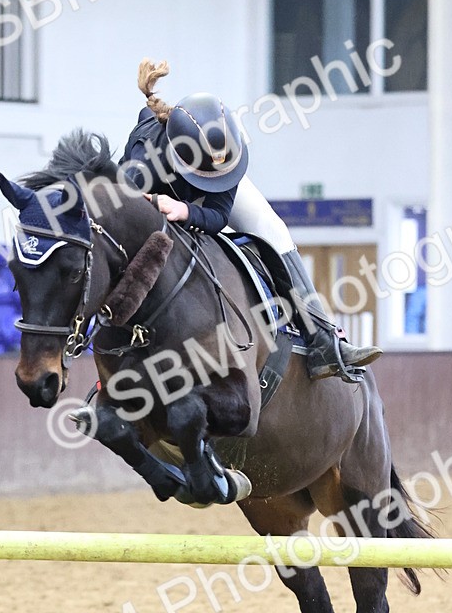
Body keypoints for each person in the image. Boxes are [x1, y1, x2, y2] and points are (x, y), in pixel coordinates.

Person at [119, 60, 381, 381]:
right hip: (158, 194)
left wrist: (185, 210)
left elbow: (217, 215)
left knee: (273, 230)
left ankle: (322, 339)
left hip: (200, 192)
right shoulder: (142, 157)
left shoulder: (230, 147)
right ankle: (103, 376)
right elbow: (122, 220)